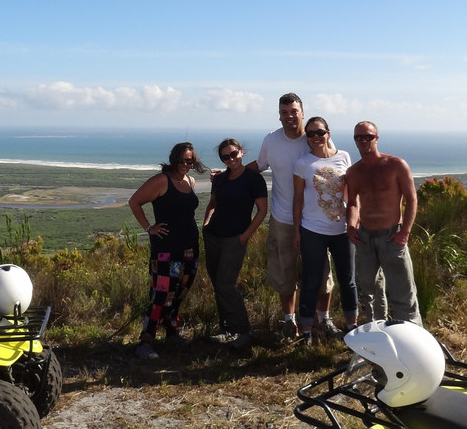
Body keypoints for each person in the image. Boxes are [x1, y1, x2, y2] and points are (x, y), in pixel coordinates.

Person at [249, 93, 337, 339]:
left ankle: (324, 320)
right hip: (282, 218)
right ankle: (289, 321)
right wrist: (229, 172)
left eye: (293, 111)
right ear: (279, 115)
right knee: (284, 270)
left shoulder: (315, 138)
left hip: (314, 219)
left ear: (302, 112)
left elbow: (334, 166)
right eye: (284, 112)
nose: (289, 117)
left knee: (321, 271)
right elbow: (259, 165)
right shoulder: (271, 140)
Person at [128, 142, 208, 359]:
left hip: (189, 248)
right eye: (181, 160)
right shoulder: (161, 181)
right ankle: (146, 340)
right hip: (166, 250)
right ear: (173, 160)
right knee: (161, 294)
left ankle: (172, 331)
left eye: (189, 160)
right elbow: (134, 202)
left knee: (181, 290)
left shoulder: (190, 181)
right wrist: (149, 228)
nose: (185, 164)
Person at [345, 121, 422, 325]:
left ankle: (412, 338)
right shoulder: (353, 172)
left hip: (391, 236)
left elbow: (411, 198)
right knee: (369, 292)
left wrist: (404, 232)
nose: (363, 141)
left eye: (368, 136)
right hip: (365, 238)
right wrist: (351, 227)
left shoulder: (396, 165)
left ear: (376, 138)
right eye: (358, 137)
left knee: (402, 291)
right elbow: (352, 203)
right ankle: (376, 335)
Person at [292, 117, 358, 342]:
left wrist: (354, 221)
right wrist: (297, 231)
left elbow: (352, 193)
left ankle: (352, 328)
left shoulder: (344, 157)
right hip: (312, 230)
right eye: (310, 134)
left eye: (319, 132)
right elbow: (298, 200)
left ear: (328, 133)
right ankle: (307, 332)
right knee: (311, 280)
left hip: (342, 230)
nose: (315, 137)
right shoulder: (303, 163)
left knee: (347, 280)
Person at [202, 138, 268, 350]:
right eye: (225, 157)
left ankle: (244, 330)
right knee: (217, 284)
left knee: (225, 284)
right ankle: (226, 328)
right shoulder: (220, 179)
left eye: (233, 154)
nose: (231, 159)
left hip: (234, 239)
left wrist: (244, 236)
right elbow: (213, 204)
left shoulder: (253, 179)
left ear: (241, 152)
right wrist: (205, 224)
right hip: (214, 236)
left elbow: (262, 211)